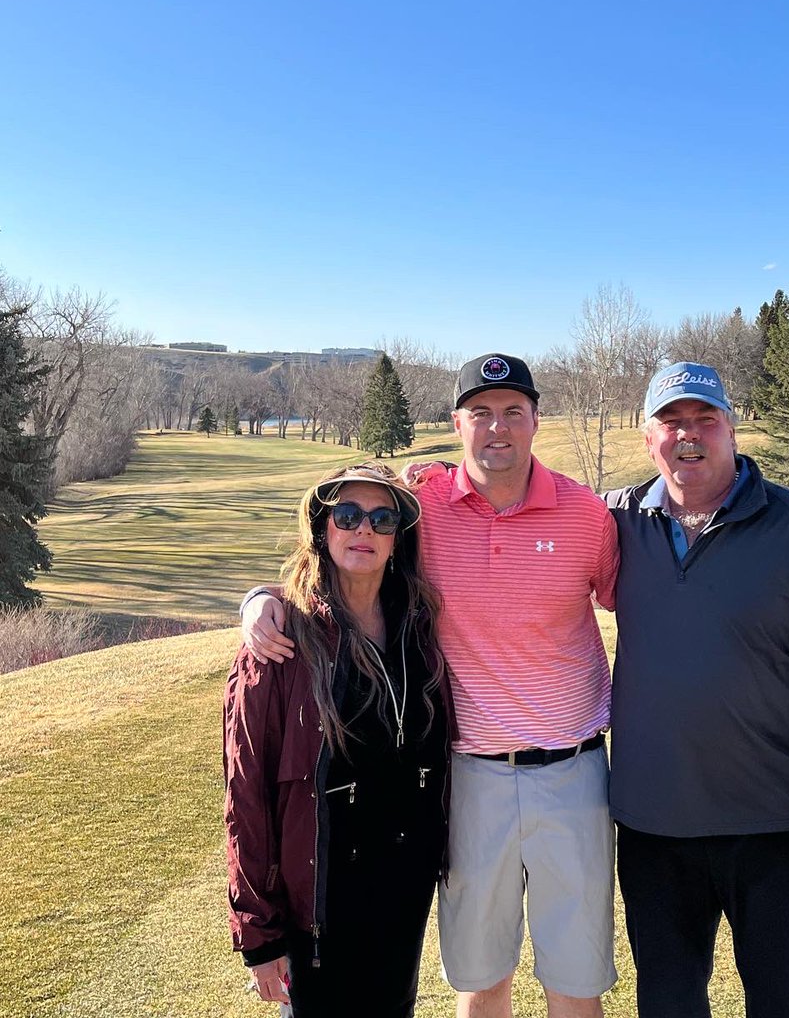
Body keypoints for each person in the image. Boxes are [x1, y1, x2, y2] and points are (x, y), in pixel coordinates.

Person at [239, 354, 620, 1018]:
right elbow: (339, 557)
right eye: (480, 414)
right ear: (456, 423)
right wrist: (260, 599)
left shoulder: (587, 515)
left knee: (576, 979)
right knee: (481, 976)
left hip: (574, 770)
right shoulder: (426, 510)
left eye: (512, 413)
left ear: (536, 421)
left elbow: (647, 604)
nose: (496, 429)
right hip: (469, 778)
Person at [602, 362, 789, 1018]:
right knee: (668, 1006)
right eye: (671, 423)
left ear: (733, 429)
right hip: (654, 829)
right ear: (649, 440)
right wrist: (431, 485)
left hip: (776, 827)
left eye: (705, 420)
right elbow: (520, 519)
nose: (688, 436)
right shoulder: (619, 520)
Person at [224, 461, 451, 1018]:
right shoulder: (282, 640)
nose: (363, 530)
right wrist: (260, 932)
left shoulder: (418, 628)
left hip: (402, 888)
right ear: (323, 528)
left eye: (381, 518)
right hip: (321, 903)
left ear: (401, 536)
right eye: (347, 515)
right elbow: (246, 791)